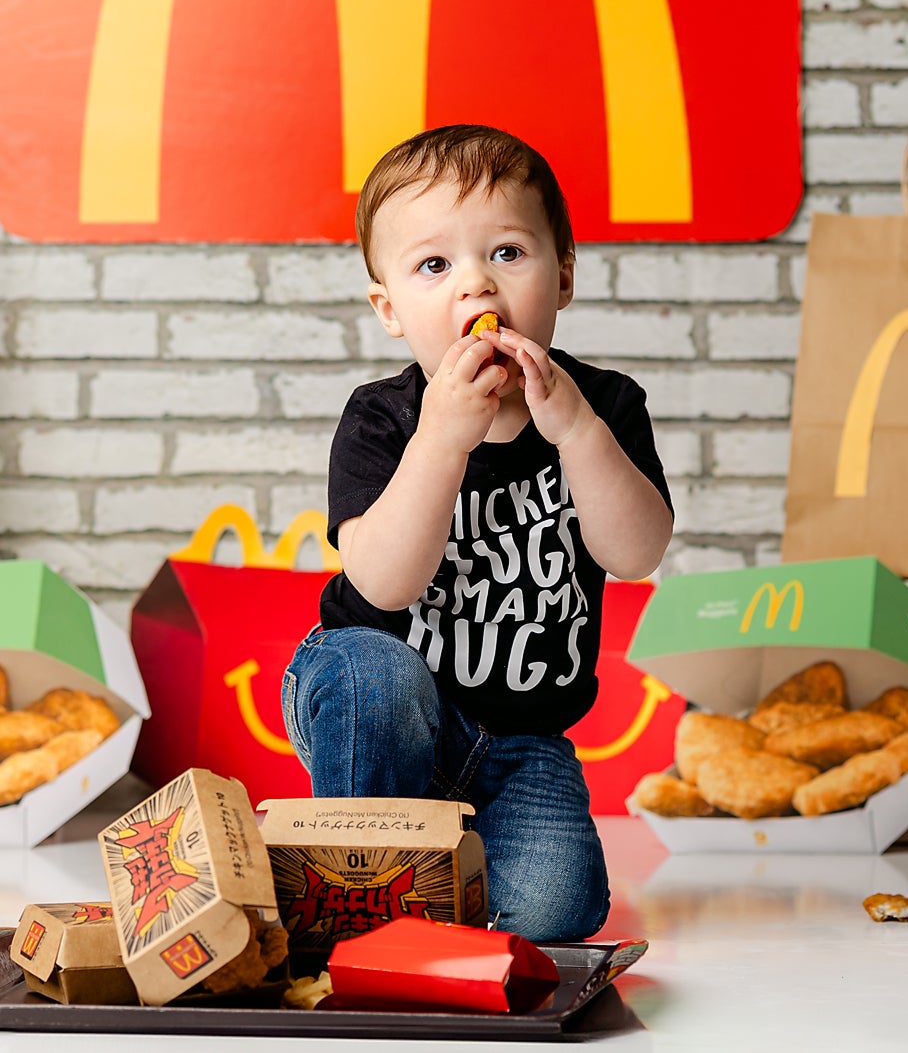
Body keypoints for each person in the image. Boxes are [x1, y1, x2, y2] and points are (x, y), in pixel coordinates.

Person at [282, 124, 674, 942]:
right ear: (390, 307)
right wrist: (440, 441)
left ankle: (427, 899)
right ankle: (352, 891)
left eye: (506, 253)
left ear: (563, 271)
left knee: (558, 907)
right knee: (373, 674)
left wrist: (576, 432)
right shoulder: (383, 419)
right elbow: (381, 584)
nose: (477, 288)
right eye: (435, 265)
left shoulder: (605, 406)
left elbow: (635, 552)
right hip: (381, 705)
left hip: (522, 740)